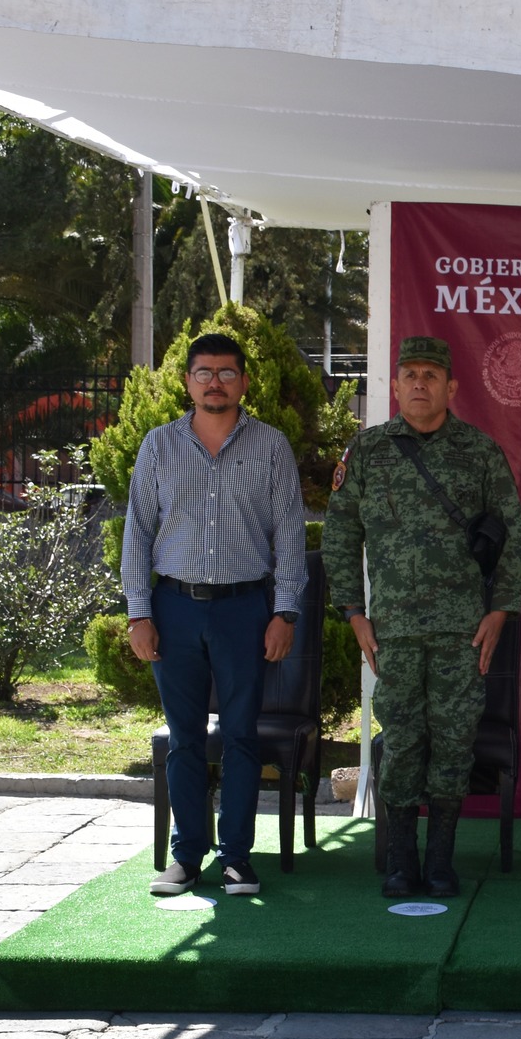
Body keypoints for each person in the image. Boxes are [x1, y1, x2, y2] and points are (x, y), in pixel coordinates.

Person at [322, 335, 521, 900]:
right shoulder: (366, 452)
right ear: (393, 386)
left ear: (451, 387)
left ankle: (440, 859)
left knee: (454, 742)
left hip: (462, 630)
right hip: (392, 629)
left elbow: (513, 536)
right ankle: (400, 860)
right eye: (409, 374)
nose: (419, 383)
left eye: (430, 375)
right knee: (404, 741)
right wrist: (352, 611)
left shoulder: (479, 452)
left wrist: (501, 610)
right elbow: (340, 535)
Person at [124, 332, 306, 899]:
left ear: (244, 382)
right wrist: (138, 613)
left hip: (244, 611)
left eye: (226, 373)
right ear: (187, 382)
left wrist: (285, 611)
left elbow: (290, 537)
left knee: (241, 737)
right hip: (173, 608)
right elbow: (139, 531)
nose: (215, 383)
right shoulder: (158, 446)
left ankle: (236, 860)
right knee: (184, 740)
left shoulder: (272, 447)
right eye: (203, 372)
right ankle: (187, 858)